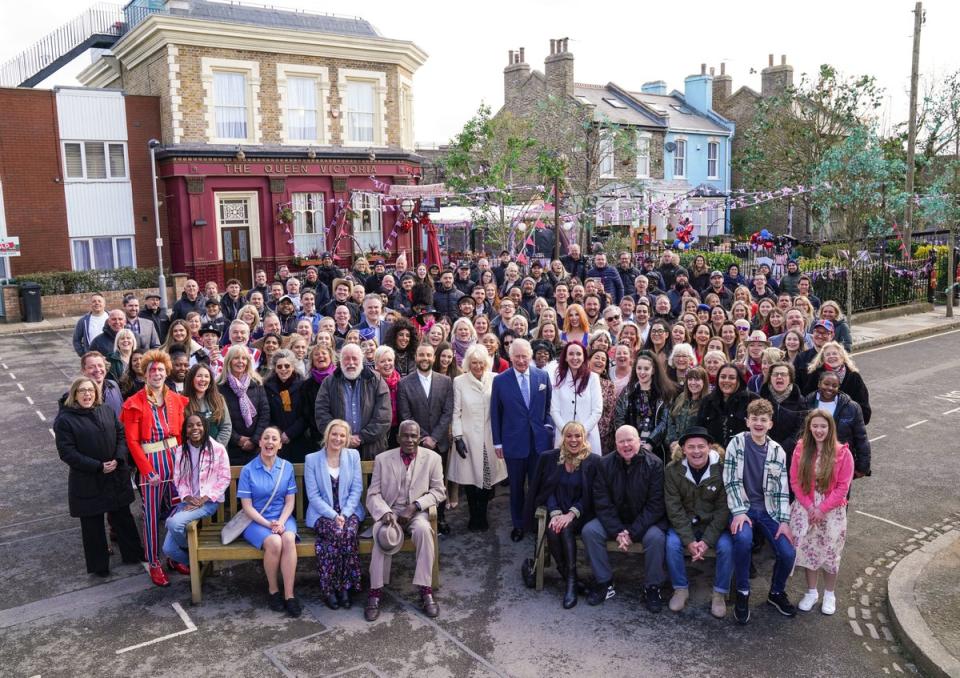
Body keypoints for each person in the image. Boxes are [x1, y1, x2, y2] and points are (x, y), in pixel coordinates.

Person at [55, 376, 143, 576]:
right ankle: (99, 566)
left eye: (90, 390)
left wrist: (118, 459)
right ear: (74, 394)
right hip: (88, 480)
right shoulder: (65, 420)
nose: (87, 394)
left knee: (123, 517)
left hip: (115, 475)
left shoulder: (107, 410)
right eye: (82, 391)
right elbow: (67, 453)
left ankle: (133, 554)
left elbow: (121, 435)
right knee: (92, 525)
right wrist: (97, 466)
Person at [724, 398, 797, 625]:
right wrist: (737, 512)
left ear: (770, 424)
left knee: (788, 552)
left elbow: (783, 490)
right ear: (747, 421)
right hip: (743, 509)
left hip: (769, 511)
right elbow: (731, 481)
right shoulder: (736, 444)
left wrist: (784, 521)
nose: (758, 423)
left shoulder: (777, 452)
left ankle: (776, 592)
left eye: (763, 420)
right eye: (754, 419)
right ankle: (743, 592)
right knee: (743, 541)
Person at [364, 420, 446, 621]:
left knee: (424, 531)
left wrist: (415, 506)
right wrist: (385, 513)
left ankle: (425, 589)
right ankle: (375, 593)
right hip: (390, 512)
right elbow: (373, 494)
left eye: (414, 436)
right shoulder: (383, 459)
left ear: (419, 437)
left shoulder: (433, 458)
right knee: (382, 535)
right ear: (398, 437)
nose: (410, 440)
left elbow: (439, 491)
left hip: (416, 512)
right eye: (406, 436)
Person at [120, 350, 188, 587]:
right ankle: (154, 562)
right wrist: (147, 470)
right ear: (145, 374)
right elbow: (132, 441)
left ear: (166, 372)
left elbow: (180, 434)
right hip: (151, 463)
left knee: (177, 512)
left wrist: (183, 464)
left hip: (174, 460)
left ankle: (173, 556)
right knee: (150, 516)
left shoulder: (175, 399)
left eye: (160, 369)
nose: (157, 373)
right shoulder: (134, 403)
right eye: (152, 370)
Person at [583, 425, 667, 611]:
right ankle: (604, 582)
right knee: (590, 531)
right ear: (616, 444)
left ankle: (652, 587)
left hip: (644, 522)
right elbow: (601, 502)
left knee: (656, 538)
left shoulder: (654, 464)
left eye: (630, 440)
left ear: (639, 442)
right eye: (621, 441)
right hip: (615, 521)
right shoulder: (604, 464)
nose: (626, 445)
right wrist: (618, 530)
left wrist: (632, 531)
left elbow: (655, 505)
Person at [525, 421, 599, 609]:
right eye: (569, 436)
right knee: (553, 528)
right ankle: (569, 578)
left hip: (582, 514)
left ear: (584, 438)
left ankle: (571, 580)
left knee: (564, 529)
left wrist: (570, 515)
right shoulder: (551, 458)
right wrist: (556, 513)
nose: (573, 440)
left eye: (577, 436)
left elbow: (591, 494)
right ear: (563, 438)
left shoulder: (593, 461)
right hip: (556, 510)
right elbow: (546, 489)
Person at [789, 410, 855, 615]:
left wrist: (822, 509)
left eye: (823, 426)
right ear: (809, 427)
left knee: (830, 553)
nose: (819, 430)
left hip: (831, 511)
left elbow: (843, 487)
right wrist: (810, 507)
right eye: (815, 426)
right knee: (809, 551)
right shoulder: (801, 449)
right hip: (806, 507)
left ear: (830, 428)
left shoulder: (843, 453)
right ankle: (811, 592)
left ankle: (829, 594)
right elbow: (795, 481)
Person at [664, 426, 732, 618]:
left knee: (727, 546)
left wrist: (707, 541)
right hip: (685, 525)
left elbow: (723, 510)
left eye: (701, 446)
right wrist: (689, 541)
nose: (696, 451)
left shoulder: (721, 470)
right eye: (691, 447)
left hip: (712, 526)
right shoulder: (672, 471)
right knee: (671, 543)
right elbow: (674, 509)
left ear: (709, 447)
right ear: (683, 449)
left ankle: (719, 594)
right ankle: (680, 589)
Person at [491, 338, 554, 542]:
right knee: (516, 488)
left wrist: (548, 426)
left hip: (539, 443)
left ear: (531, 356)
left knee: (537, 486)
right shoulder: (500, 380)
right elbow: (496, 413)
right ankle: (518, 525)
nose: (521, 360)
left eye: (524, 356)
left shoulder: (542, 376)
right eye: (516, 356)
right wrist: (498, 443)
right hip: (513, 443)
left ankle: (536, 524)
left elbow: (548, 408)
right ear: (510, 357)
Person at [238, 427, 302, 617]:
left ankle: (290, 595)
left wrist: (281, 522)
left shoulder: (286, 467)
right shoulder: (248, 470)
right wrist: (269, 525)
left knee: (288, 539)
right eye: (266, 438)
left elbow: (290, 501)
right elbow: (247, 507)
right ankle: (273, 590)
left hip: (282, 517)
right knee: (274, 542)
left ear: (280, 445)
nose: (270, 442)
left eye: (274, 439)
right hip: (256, 521)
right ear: (260, 443)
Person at [304, 419, 364, 611]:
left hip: (349, 511)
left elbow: (357, 489)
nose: (337, 438)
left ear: (346, 439)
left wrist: (344, 515)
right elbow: (313, 496)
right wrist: (333, 515)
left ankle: (338, 588)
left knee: (344, 534)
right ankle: (335, 588)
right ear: (327, 435)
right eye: (334, 434)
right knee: (338, 535)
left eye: (342, 435)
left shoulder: (353, 456)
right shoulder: (312, 459)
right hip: (322, 514)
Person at [162, 414, 230, 577]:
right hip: (188, 503)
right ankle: (194, 560)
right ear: (185, 431)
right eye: (190, 426)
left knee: (173, 523)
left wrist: (204, 498)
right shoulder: (181, 451)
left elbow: (225, 478)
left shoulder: (217, 449)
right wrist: (187, 497)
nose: (195, 429)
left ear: (205, 427)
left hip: (208, 502)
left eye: (199, 425)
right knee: (168, 549)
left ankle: (189, 551)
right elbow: (178, 479)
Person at [397, 343, 455, 535]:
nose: (425, 358)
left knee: (439, 483)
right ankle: (420, 520)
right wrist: (423, 437)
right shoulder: (405, 383)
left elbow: (448, 412)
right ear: (416, 357)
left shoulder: (445, 381)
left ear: (434, 358)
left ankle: (441, 518)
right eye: (421, 355)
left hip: (440, 442)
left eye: (429, 355)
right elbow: (406, 414)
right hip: (416, 443)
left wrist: (435, 437)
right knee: (419, 482)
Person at [450, 344, 509, 532]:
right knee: (469, 479)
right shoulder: (459, 381)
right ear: (468, 363)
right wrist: (457, 437)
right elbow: (456, 412)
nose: (477, 366)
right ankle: (473, 514)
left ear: (487, 362)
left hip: (490, 436)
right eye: (474, 363)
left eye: (481, 363)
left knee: (486, 479)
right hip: (467, 436)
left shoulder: (496, 379)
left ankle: (481, 515)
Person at [314, 343, 392, 461]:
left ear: (362, 360)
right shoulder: (329, 382)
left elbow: (383, 416)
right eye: (346, 359)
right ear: (340, 361)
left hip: (371, 449)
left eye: (354, 358)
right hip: (338, 448)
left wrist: (361, 437)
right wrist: (342, 437)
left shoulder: (376, 380)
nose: (351, 363)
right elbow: (321, 413)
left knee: (370, 480)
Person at [803, 371, 872, 479]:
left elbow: (861, 438)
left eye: (834, 385)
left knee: (840, 495)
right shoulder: (806, 404)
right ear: (819, 384)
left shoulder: (852, 407)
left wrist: (863, 467)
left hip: (840, 463)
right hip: (812, 462)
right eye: (826, 384)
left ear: (839, 387)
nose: (830, 388)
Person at [613, 350, 676, 461]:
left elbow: (664, 421)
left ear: (653, 371)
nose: (642, 372)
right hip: (629, 446)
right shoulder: (628, 391)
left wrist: (650, 443)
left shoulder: (664, 393)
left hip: (656, 448)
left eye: (646, 369)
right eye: (639, 368)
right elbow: (619, 417)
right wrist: (627, 441)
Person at [218, 344, 270, 465]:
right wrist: (237, 440)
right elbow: (219, 419)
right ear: (229, 362)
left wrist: (254, 440)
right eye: (236, 358)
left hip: (257, 447)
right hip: (232, 448)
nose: (240, 361)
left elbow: (265, 413)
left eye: (244, 358)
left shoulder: (257, 383)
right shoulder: (220, 387)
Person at [805, 341, 871, 425]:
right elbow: (807, 402)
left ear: (842, 357)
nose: (831, 356)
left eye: (835, 353)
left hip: (846, 427)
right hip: (819, 426)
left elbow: (863, 408)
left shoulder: (854, 377)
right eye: (828, 354)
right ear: (823, 359)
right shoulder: (815, 375)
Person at [264, 349, 311, 464]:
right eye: (279, 366)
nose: (283, 369)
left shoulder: (303, 385)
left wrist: (289, 433)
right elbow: (265, 413)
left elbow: (306, 414)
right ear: (275, 368)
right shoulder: (266, 387)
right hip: (275, 441)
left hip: (299, 439)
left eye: (287, 366)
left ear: (293, 366)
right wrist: (277, 433)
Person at [697, 363, 758, 448]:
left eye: (732, 378)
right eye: (723, 377)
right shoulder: (707, 401)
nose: (726, 380)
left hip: (744, 453)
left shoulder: (752, 400)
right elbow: (700, 429)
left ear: (738, 380)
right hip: (714, 455)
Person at [759, 362, 809, 463]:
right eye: (775, 374)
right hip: (763, 452)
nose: (779, 377)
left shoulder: (800, 401)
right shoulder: (761, 398)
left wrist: (782, 448)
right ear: (770, 377)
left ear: (790, 378)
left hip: (791, 454)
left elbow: (801, 429)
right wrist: (768, 445)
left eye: (784, 374)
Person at [183, 362, 232, 447]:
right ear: (191, 379)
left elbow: (226, 427)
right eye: (199, 376)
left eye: (206, 376)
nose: (203, 379)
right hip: (192, 451)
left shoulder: (218, 399)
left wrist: (215, 448)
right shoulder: (182, 400)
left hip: (216, 452)